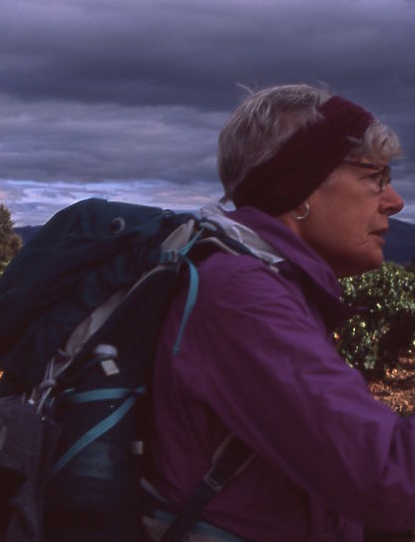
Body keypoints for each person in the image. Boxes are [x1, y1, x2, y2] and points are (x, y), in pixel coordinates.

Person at [144, 84, 413, 541]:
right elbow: (388, 477)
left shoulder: (269, 287)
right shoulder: (242, 299)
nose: (394, 201)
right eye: (375, 178)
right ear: (300, 188)